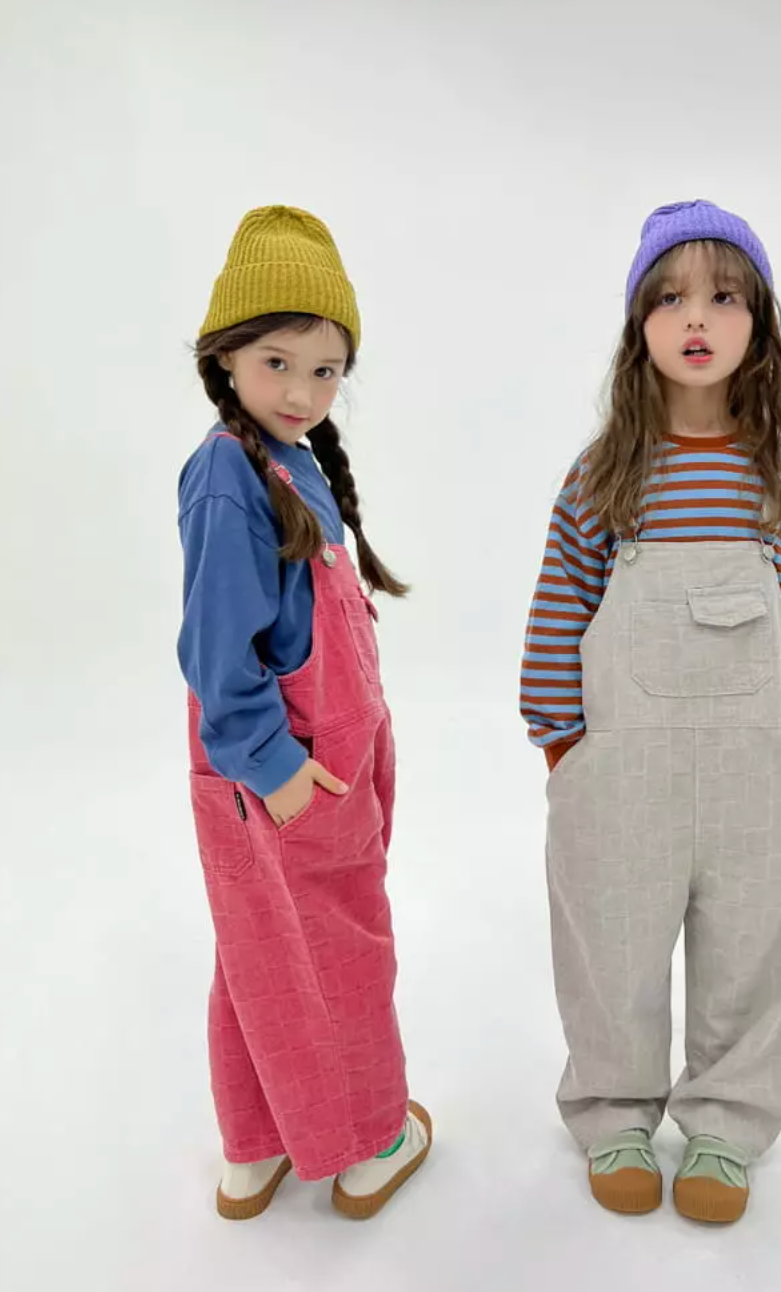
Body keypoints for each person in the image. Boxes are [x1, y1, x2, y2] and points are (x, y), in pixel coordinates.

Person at [520, 200, 781, 1223]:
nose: (695, 317)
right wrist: (560, 741)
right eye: (669, 297)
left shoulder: (778, 472)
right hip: (622, 762)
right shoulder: (605, 472)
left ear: (760, 324)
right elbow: (559, 605)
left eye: (723, 295)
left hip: (761, 758)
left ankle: (727, 1121)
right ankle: (615, 1108)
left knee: (757, 937)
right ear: (639, 327)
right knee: (610, 933)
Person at [178, 205, 431, 1220]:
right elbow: (214, 651)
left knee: (263, 950)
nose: (302, 393)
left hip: (314, 765)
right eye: (277, 363)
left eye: (326, 371)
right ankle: (372, 1139)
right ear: (224, 357)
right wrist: (275, 766)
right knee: (342, 951)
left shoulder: (287, 459)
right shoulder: (226, 475)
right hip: (287, 773)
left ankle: (257, 1145)